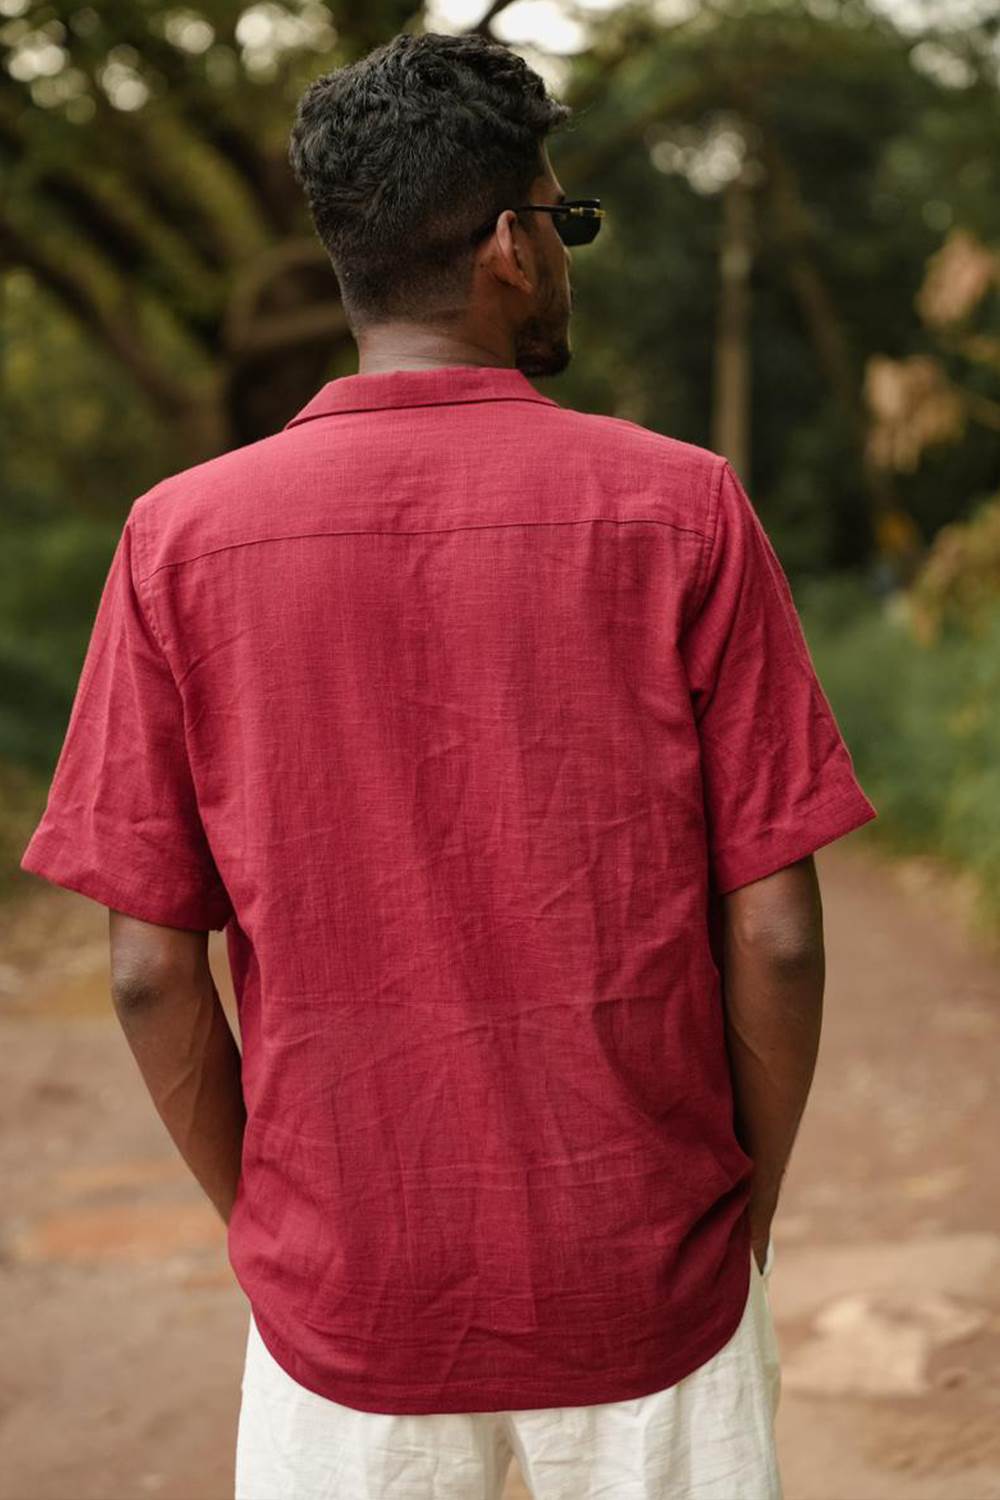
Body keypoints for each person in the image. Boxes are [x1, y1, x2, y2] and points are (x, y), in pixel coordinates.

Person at [19, 28, 878, 1500]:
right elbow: (779, 934)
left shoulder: (178, 541)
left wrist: (270, 1234)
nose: (564, 254)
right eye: (563, 221)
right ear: (504, 245)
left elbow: (150, 968)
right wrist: (742, 1218)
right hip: (646, 1283)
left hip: (342, 1316)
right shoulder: (682, 511)